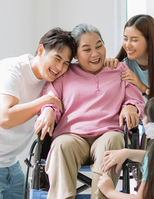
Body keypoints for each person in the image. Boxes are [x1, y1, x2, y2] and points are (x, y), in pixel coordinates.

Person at [0, 28, 76, 199]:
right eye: (57, 58)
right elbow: (5, 118)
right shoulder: (10, 70)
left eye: (66, 63)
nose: (60, 67)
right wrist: (46, 101)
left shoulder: (52, 79)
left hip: (11, 164)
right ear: (41, 50)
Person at [38, 23, 145, 199]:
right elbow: (50, 97)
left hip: (107, 134)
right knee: (60, 145)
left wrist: (130, 106)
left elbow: (135, 98)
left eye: (99, 45)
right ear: (76, 55)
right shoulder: (66, 73)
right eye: (87, 49)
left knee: (113, 139)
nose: (95, 54)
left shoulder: (118, 69)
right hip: (73, 136)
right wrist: (48, 109)